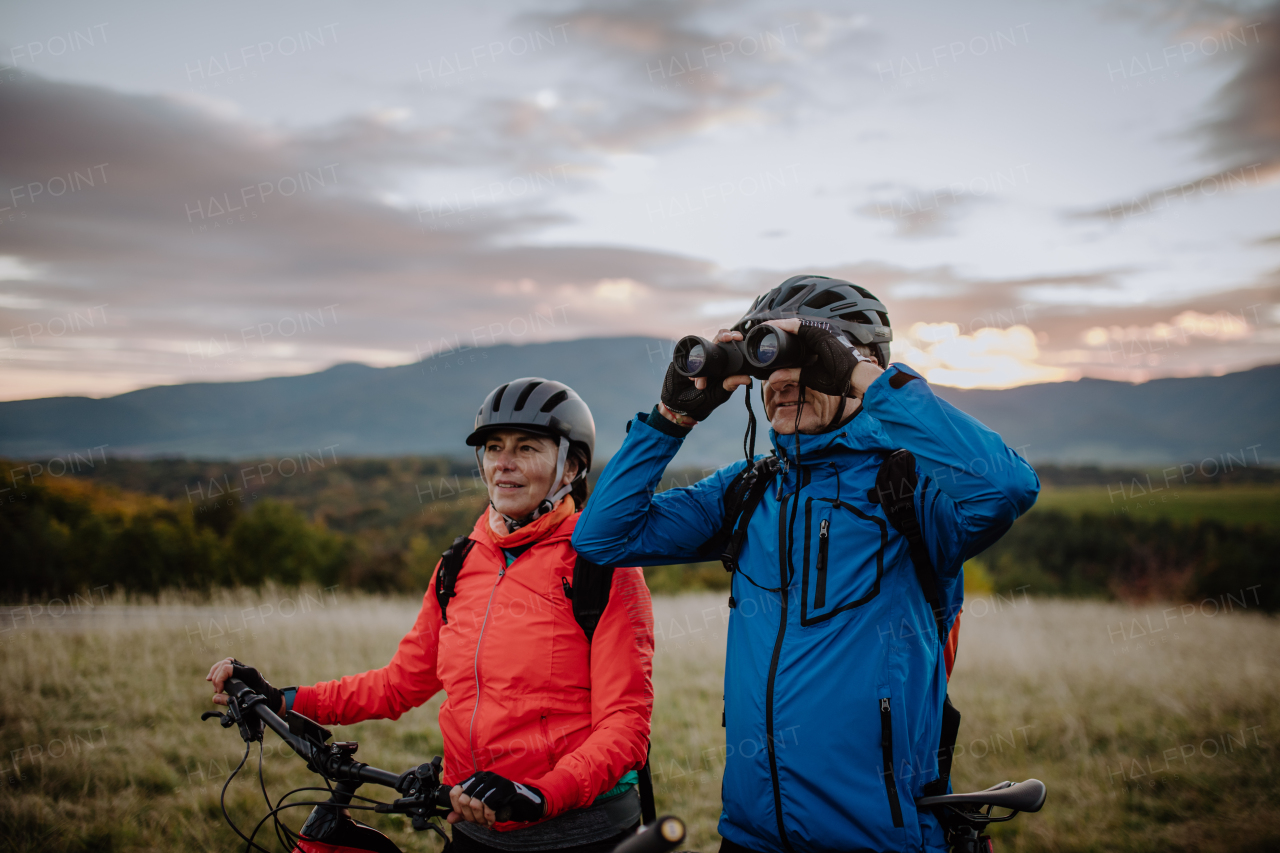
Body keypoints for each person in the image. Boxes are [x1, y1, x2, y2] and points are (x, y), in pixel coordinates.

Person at [572, 276, 1040, 853]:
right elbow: (602, 537)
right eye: (771, 367)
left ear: (856, 367)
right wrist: (672, 416)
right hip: (748, 836)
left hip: (877, 839)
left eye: (809, 363)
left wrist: (866, 379)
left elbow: (1007, 485)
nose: (784, 383)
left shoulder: (912, 490)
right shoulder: (750, 489)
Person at [207, 378, 655, 853]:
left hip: (576, 833)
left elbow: (625, 725)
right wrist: (286, 700)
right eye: (493, 448)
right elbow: (399, 684)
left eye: (526, 448)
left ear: (571, 467)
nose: (503, 463)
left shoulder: (602, 566)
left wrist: (540, 794)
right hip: (469, 822)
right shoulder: (458, 565)